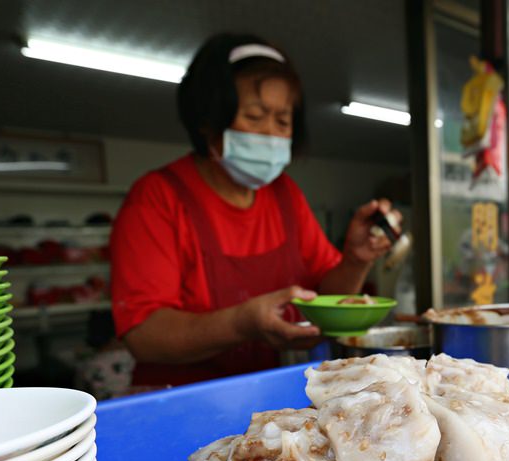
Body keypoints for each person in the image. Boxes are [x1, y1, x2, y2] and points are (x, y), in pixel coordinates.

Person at [110, 33, 397, 387]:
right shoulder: (157, 198)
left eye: (282, 121)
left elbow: (326, 296)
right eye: (255, 116)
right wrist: (240, 323)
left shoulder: (284, 195)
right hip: (176, 399)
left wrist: (356, 258)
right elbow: (144, 336)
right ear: (208, 121)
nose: (271, 135)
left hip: (264, 394)